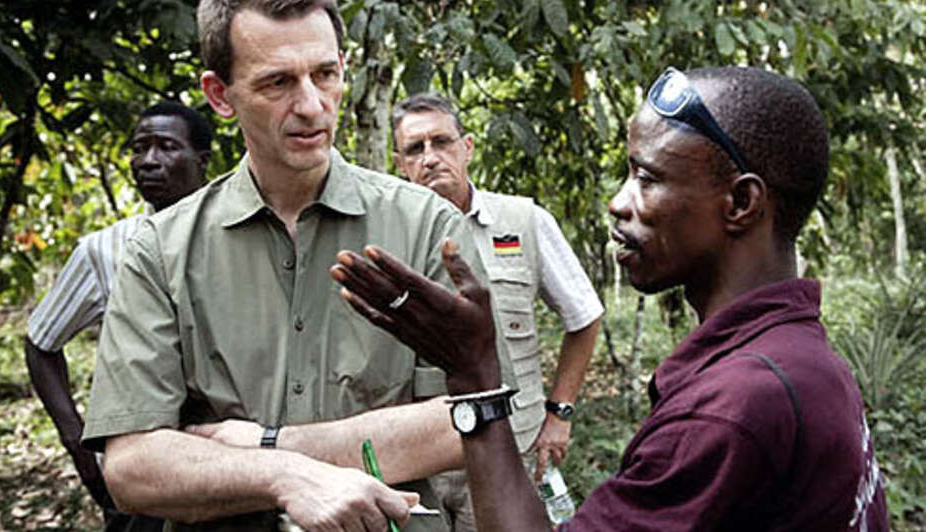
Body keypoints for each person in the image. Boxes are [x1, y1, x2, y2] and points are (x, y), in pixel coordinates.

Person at [331, 66, 889, 530]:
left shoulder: (727, 411)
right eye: (628, 173)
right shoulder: (805, 359)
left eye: (648, 178)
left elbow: (582, 316)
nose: (619, 203)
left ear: (741, 203)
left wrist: (477, 378)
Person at [81, 1, 509, 531]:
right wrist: (283, 475)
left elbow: (472, 418)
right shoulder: (161, 249)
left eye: (325, 74)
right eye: (277, 83)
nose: (310, 106)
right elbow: (131, 468)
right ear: (220, 95)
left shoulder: (425, 225)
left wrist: (268, 444)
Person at [391, 93, 603, 530]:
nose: (430, 158)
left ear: (467, 147)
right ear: (399, 164)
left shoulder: (522, 220)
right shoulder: (386, 233)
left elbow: (583, 315)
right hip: (417, 464)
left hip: (509, 450)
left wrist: (559, 414)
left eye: (441, 142)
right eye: (415, 149)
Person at [25, 101, 211, 531]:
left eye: (166, 147)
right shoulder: (105, 250)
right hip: (144, 472)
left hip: (237, 459)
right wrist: (79, 446)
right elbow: (41, 342)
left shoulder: (245, 239)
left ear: (201, 159)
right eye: (139, 148)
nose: (148, 161)